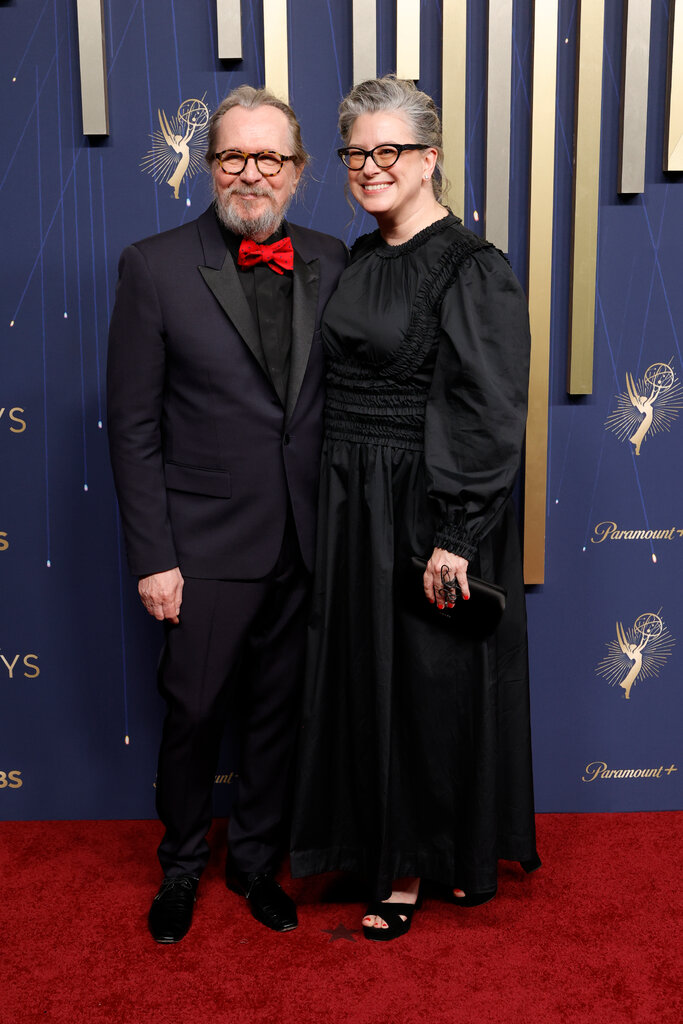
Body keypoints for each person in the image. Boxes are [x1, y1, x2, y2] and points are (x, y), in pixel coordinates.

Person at [290, 76, 539, 941]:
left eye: (389, 150)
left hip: (421, 498)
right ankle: (380, 844)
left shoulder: (472, 266)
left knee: (427, 680)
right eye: (356, 153)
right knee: (369, 674)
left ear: (431, 157)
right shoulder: (359, 257)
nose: (370, 167)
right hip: (349, 496)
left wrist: (455, 533)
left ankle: (417, 865)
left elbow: (488, 404)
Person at [107, 85, 347, 943]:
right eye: (234, 157)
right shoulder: (154, 265)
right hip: (201, 546)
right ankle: (179, 868)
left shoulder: (334, 258)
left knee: (280, 713)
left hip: (306, 536)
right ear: (209, 168)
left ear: (297, 172)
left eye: (270, 159)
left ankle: (252, 864)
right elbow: (133, 424)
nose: (252, 174)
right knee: (197, 712)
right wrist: (152, 555)